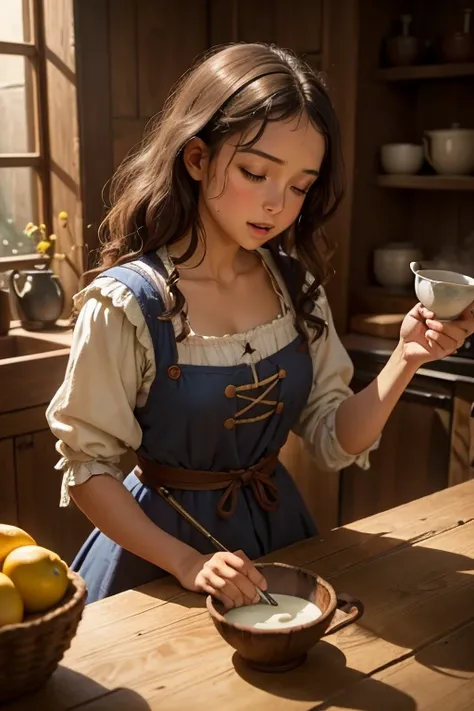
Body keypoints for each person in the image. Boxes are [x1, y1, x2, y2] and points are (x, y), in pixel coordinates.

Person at [46, 42, 474, 608]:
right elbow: (89, 469)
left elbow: (332, 437)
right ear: (197, 159)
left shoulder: (296, 290)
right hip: (157, 559)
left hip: (282, 542)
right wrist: (188, 562)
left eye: (299, 186)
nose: (278, 204)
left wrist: (406, 359)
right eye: (256, 172)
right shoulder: (127, 304)